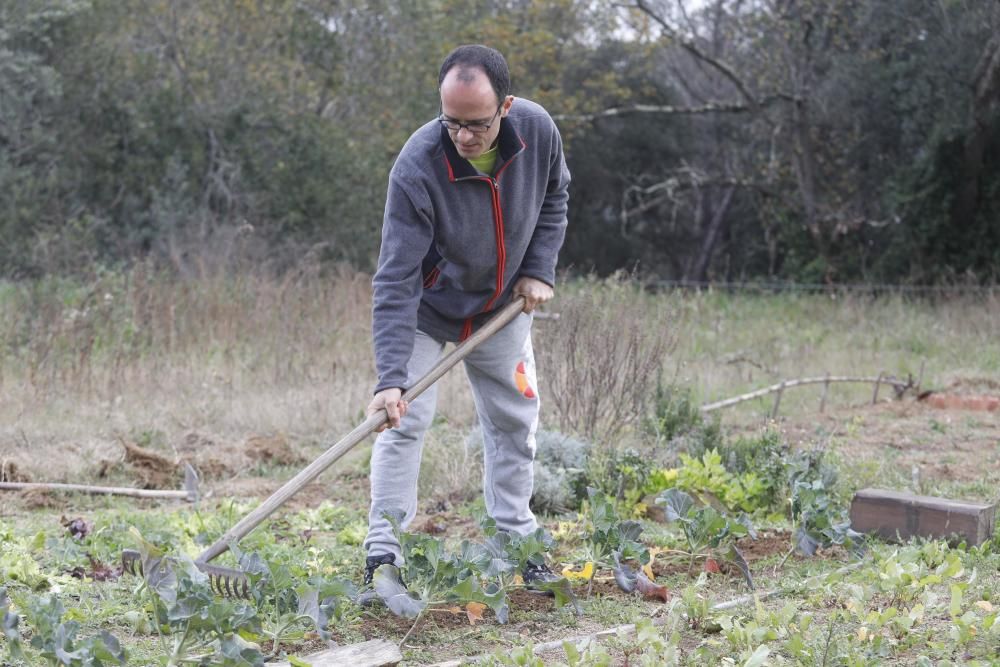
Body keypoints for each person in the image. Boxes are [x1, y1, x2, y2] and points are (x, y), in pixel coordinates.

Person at [361, 44, 570, 591]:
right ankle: (382, 555)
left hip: (502, 308)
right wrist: (390, 378)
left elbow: (555, 196)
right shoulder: (417, 166)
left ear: (506, 106)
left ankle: (517, 540)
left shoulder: (539, 132)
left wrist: (539, 269)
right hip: (430, 313)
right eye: (450, 122)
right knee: (402, 423)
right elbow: (395, 276)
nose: (463, 137)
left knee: (514, 420)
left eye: (476, 124)